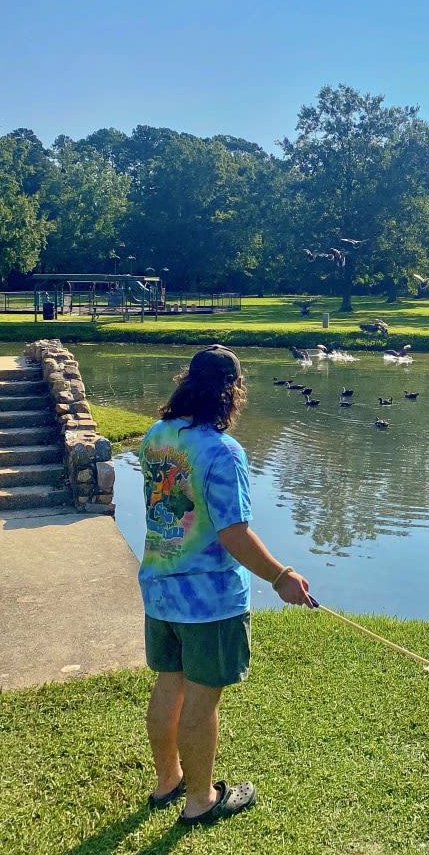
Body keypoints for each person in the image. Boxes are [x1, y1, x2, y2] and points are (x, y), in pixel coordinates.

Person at [137, 344, 314, 827]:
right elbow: (233, 532)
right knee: (201, 696)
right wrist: (281, 576)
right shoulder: (222, 451)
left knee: (168, 684)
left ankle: (167, 781)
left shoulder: (155, 437)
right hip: (208, 601)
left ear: (186, 383)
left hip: (159, 588)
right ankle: (200, 800)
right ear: (232, 393)